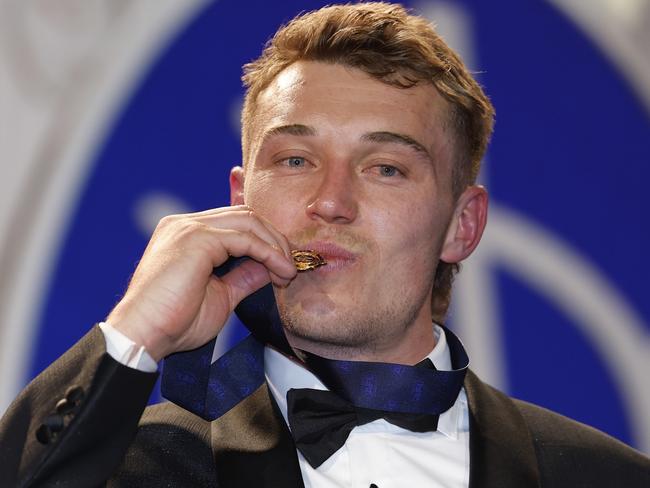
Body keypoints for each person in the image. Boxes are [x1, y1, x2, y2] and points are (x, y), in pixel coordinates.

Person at [1, 2, 648, 487]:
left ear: (463, 224)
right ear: (238, 200)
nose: (331, 201)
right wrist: (133, 332)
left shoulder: (606, 476)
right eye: (294, 160)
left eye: (385, 168)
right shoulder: (137, 465)